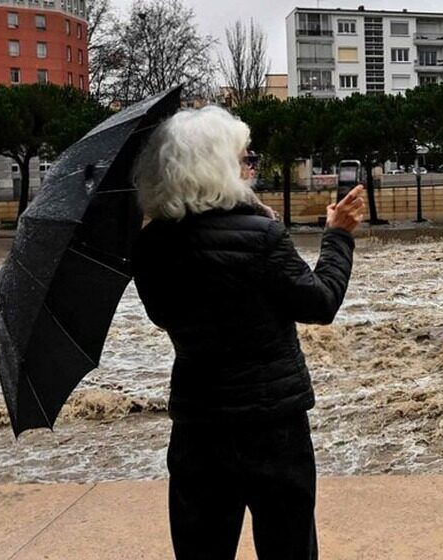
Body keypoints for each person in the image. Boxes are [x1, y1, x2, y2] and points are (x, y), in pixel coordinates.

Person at [131, 106, 366, 560]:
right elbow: (319, 303)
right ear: (215, 166)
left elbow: (163, 316)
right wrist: (338, 236)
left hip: (198, 424)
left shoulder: (150, 245)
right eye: (244, 158)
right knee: (288, 547)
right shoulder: (261, 237)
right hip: (272, 424)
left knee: (201, 549)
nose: (250, 167)